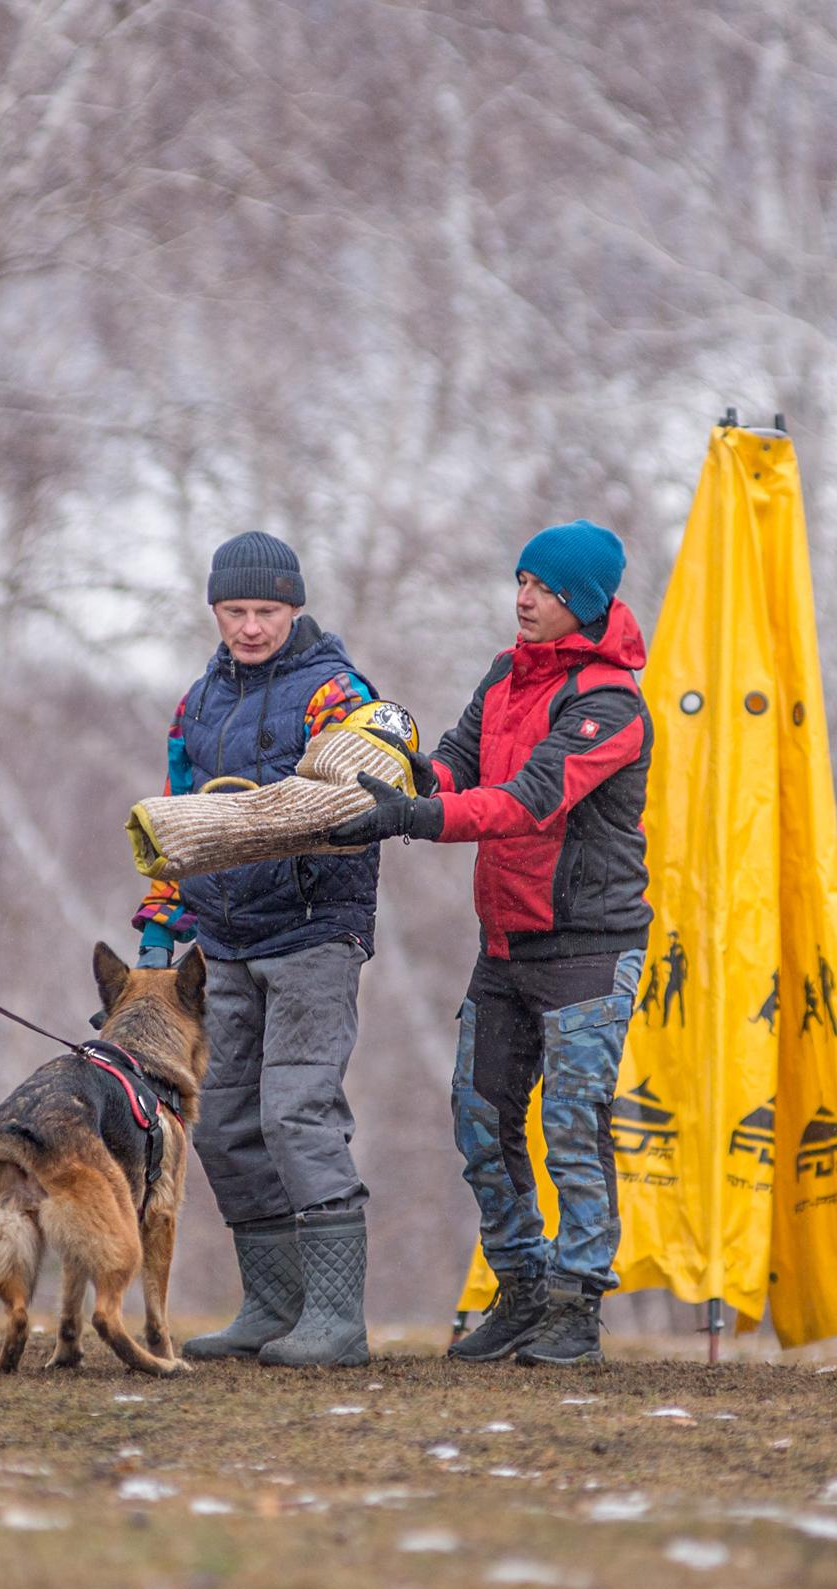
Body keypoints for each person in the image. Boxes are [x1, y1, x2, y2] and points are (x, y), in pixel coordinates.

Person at [327, 520, 650, 1367]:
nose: (522, 598)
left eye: (540, 587)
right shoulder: (505, 674)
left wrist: (418, 820)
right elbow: (458, 766)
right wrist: (401, 770)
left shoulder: (612, 705)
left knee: (573, 1127)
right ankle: (522, 1287)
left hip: (590, 951)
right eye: (519, 581)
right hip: (505, 944)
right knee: (480, 1121)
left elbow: (525, 801)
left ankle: (577, 1306)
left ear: (579, 602)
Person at [133, 531, 381, 1368]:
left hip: (313, 934)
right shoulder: (196, 702)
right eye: (234, 611)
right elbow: (175, 822)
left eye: (266, 611)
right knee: (225, 1124)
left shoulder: (336, 694)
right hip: (221, 945)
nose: (249, 626)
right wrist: (159, 930)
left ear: (296, 607)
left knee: (297, 1114)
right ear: (214, 610)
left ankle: (338, 1322)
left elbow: (362, 802)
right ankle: (273, 1308)